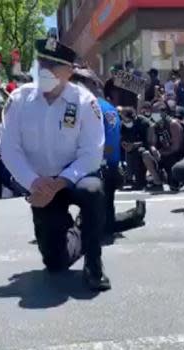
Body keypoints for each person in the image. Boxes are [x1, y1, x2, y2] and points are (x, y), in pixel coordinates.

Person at [0, 36, 110, 291]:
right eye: (42, 62)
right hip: (39, 183)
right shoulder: (19, 100)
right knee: (55, 263)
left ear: (69, 72)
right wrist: (34, 183)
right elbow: (9, 149)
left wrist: (60, 182)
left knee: (93, 191)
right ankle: (82, 230)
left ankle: (94, 264)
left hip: (75, 178)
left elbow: (92, 153)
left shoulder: (85, 102)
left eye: (54, 65)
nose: (46, 69)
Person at [71, 67, 146, 236]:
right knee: (104, 219)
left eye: (77, 83)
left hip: (99, 170)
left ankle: (130, 217)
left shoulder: (91, 106)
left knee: (97, 226)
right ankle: (131, 216)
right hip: (110, 169)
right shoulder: (108, 107)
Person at [120, 106, 163, 191]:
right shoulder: (123, 126)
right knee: (130, 153)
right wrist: (124, 144)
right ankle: (133, 179)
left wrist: (136, 144)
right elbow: (124, 139)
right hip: (133, 150)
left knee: (144, 154)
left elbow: (150, 143)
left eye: (127, 119)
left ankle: (157, 181)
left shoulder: (145, 123)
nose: (125, 121)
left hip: (149, 151)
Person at [149, 100, 184, 190]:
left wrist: (161, 153)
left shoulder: (173, 124)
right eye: (153, 112)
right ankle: (156, 180)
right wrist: (154, 149)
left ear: (164, 112)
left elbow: (176, 147)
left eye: (156, 112)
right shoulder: (155, 126)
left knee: (170, 159)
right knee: (146, 155)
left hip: (176, 155)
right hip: (162, 153)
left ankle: (176, 180)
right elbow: (152, 143)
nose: (154, 114)